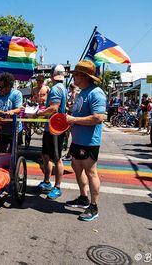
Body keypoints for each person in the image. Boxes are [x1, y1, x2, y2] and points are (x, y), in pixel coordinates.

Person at [65, 60, 106, 222]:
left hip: (89, 141)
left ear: (84, 76)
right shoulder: (82, 92)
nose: (73, 78)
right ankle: (83, 198)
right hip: (77, 140)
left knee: (90, 172)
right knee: (76, 167)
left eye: (75, 75)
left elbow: (98, 118)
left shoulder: (96, 93)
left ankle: (94, 206)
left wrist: (73, 119)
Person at [35, 64, 68, 199]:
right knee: (45, 155)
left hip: (55, 128)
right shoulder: (62, 88)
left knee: (56, 158)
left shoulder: (55, 89)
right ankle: (47, 182)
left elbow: (54, 108)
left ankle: (57, 186)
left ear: (52, 75)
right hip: (52, 127)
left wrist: (40, 112)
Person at [0, 72, 23, 153]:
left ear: (9, 86)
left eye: (1, 87)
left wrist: (12, 111)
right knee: (2, 153)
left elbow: (19, 109)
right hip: (2, 130)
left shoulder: (16, 94)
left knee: (12, 155)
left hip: (14, 130)